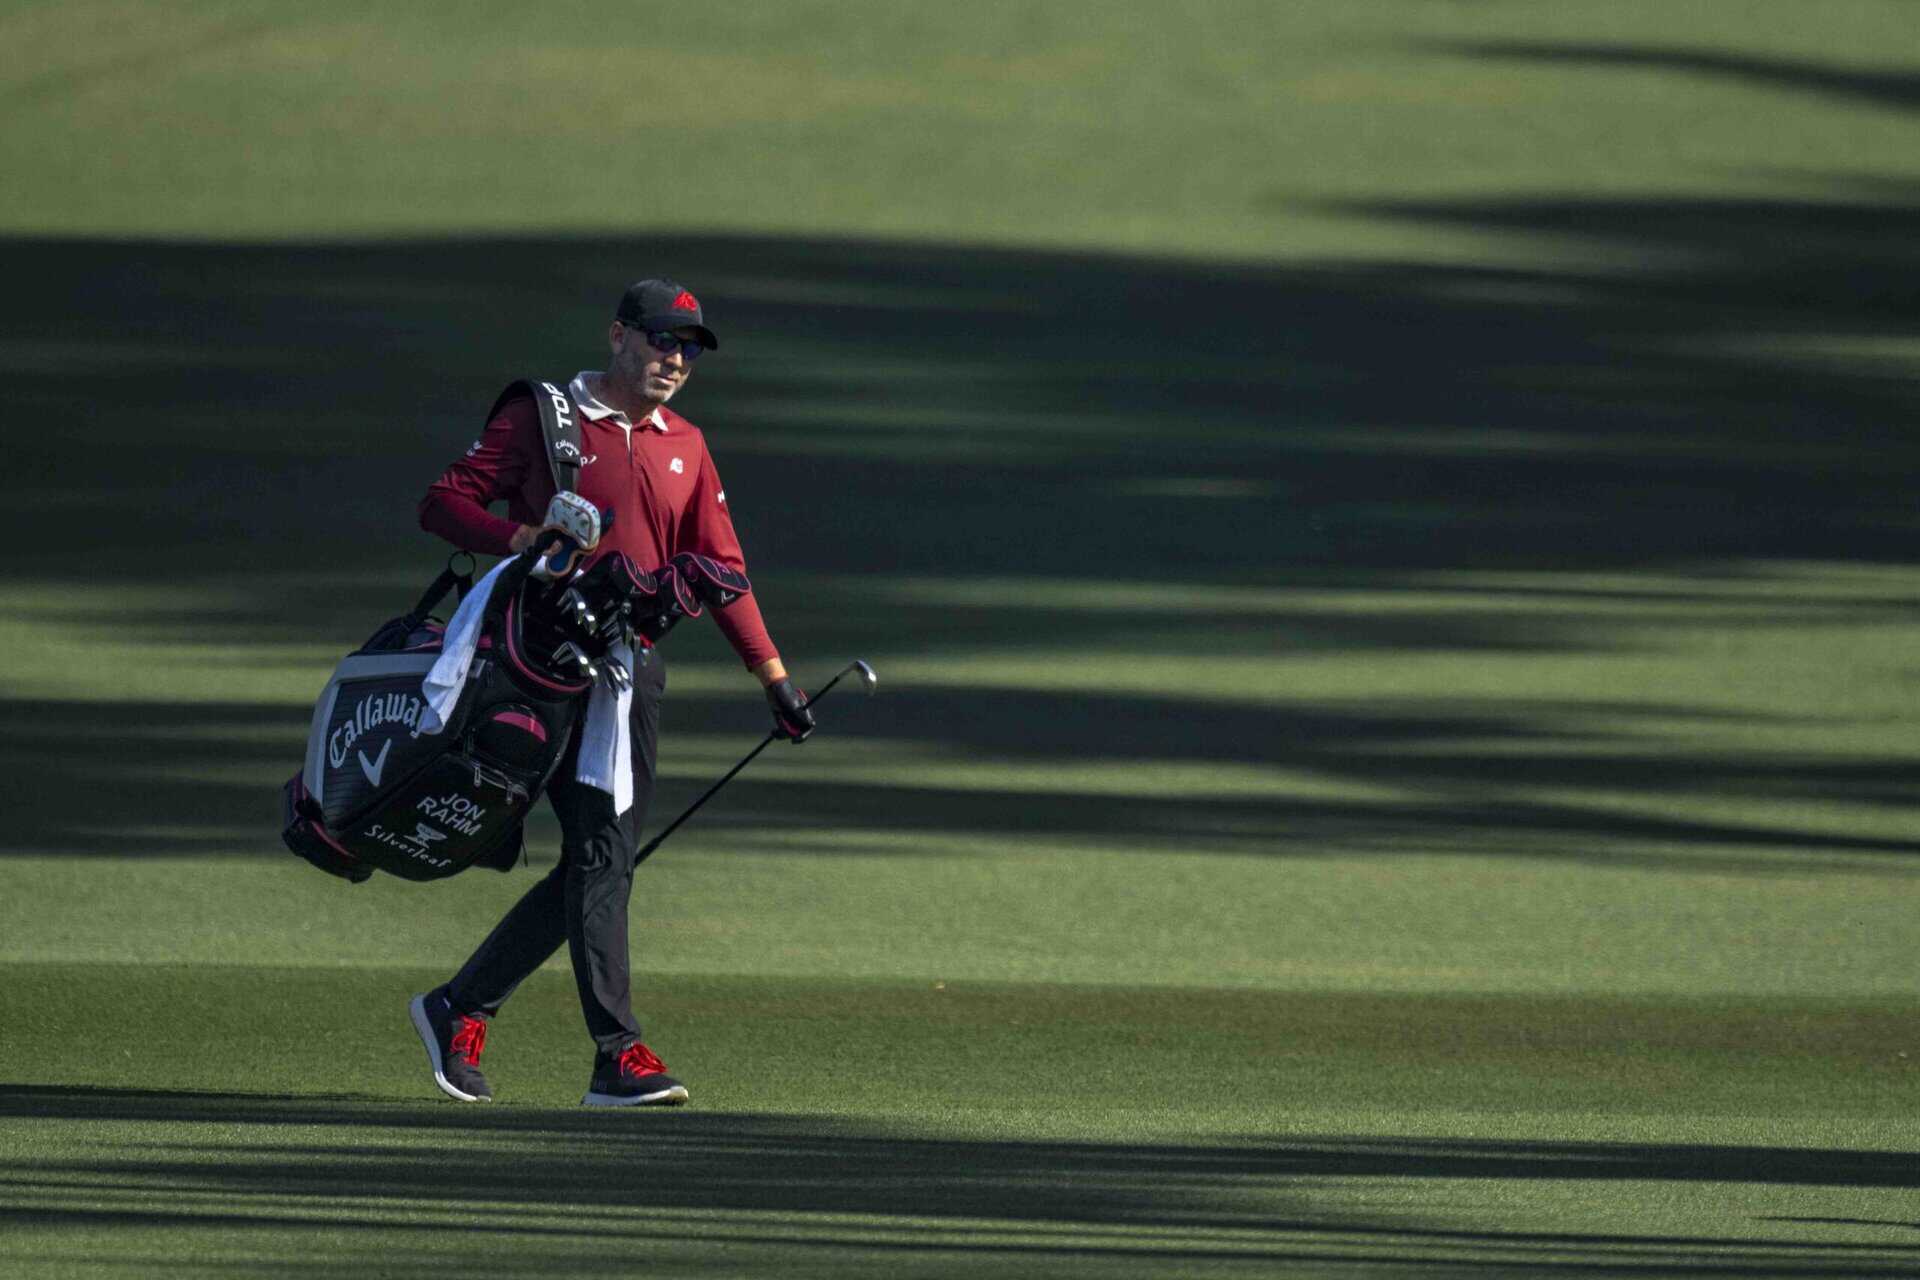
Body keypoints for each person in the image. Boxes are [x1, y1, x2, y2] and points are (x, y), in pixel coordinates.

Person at [406, 278, 814, 1107]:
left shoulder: (687, 446)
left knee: (602, 857)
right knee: (593, 858)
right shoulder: (546, 418)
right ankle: (602, 1049)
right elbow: (443, 503)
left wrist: (772, 677)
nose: (676, 358)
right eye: (663, 339)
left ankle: (480, 1013)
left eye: (690, 347)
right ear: (617, 335)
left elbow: (723, 572)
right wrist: (522, 537)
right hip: (529, 665)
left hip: (626, 676)